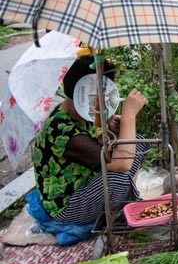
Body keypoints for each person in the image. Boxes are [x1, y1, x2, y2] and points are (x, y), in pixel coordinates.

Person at [33, 56, 148, 225]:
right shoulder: (62, 130)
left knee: (138, 143)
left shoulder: (80, 113)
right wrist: (129, 117)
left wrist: (112, 127)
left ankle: (122, 203)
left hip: (86, 184)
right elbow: (120, 165)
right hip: (67, 206)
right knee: (117, 178)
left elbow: (102, 143)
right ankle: (122, 206)